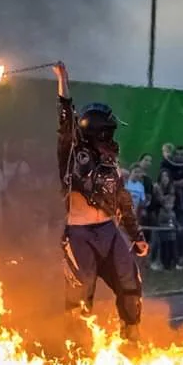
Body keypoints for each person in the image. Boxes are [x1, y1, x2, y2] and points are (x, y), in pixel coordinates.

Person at [53, 61, 148, 347]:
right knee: (80, 292)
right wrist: (63, 81)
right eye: (108, 130)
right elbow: (65, 118)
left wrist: (136, 235)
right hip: (79, 233)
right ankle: (77, 346)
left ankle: (131, 341)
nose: (112, 135)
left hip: (108, 230)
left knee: (130, 284)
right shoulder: (71, 152)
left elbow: (122, 199)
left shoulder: (110, 161)